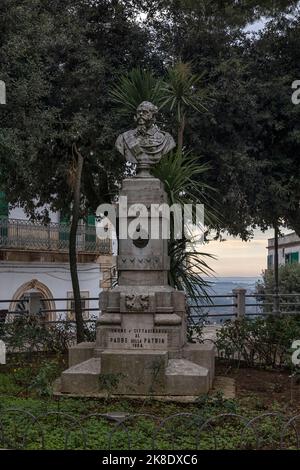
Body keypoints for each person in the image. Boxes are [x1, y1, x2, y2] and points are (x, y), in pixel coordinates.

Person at [115, 101, 175, 176]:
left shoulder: (166, 139)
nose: (140, 114)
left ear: (153, 116)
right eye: (138, 112)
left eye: (145, 112)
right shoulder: (124, 138)